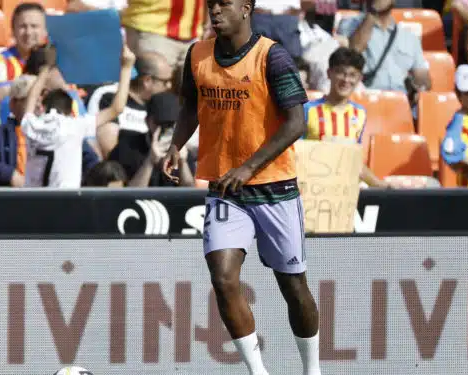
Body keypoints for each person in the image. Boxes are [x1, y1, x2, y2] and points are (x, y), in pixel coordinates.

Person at [162, 1, 319, 374]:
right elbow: (190, 106)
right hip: (224, 189)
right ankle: (257, 372)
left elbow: (297, 123)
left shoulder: (272, 56)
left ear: (246, 9)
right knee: (223, 277)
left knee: (293, 288)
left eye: (224, 4)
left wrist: (248, 168)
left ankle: (312, 370)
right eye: (211, 4)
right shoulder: (197, 54)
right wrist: (175, 144)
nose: (215, 11)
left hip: (273, 188)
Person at [0, 74, 99, 187]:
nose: (39, 104)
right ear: (13, 104)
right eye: (32, 97)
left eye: (43, 97)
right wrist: (9, 174)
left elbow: (91, 162)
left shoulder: (62, 130)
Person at [22, 44, 135, 188]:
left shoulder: (31, 125)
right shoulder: (74, 126)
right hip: (64, 202)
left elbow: (30, 99)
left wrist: (46, 68)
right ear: (70, 112)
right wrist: (126, 68)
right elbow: (117, 108)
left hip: (32, 201)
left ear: (43, 107)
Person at [303, 47, 390, 188]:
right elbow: (295, 155)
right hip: (313, 189)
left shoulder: (360, 113)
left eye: (352, 75)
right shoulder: (308, 110)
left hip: (345, 193)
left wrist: (380, 185)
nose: (346, 80)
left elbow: (354, 160)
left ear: (359, 78)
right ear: (329, 73)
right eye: (341, 73)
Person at [108, 91, 194, 187]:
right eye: (160, 123)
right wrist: (149, 162)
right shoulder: (127, 149)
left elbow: (191, 195)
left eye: (171, 124)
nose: (166, 129)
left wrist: (182, 163)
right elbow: (128, 197)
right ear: (147, 121)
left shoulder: (184, 151)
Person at [0, 2, 48, 102]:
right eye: (23, 26)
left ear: (45, 30)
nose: (28, 32)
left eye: (34, 26)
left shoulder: (54, 59)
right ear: (13, 30)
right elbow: (0, 93)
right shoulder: (1, 59)